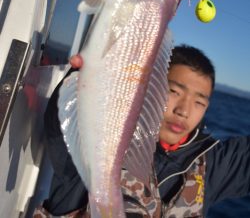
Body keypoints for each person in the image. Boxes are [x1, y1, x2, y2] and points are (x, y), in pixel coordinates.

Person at [33, 45, 250, 217]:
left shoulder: (212, 165)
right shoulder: (102, 140)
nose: (184, 110)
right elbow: (68, 115)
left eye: (199, 102)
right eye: (174, 91)